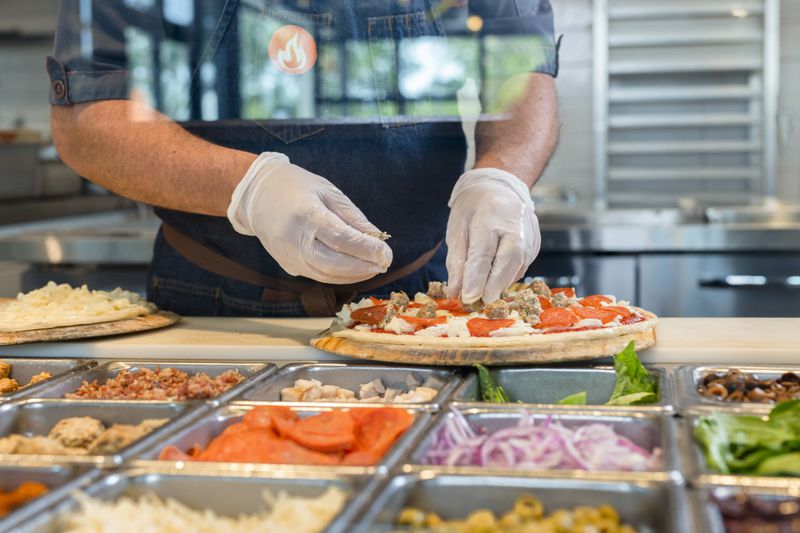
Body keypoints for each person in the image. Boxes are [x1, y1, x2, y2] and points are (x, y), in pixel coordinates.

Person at [48, 0, 559, 316]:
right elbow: (88, 120)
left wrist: (502, 176)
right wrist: (249, 188)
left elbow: (521, 70)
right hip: (217, 302)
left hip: (427, 300)